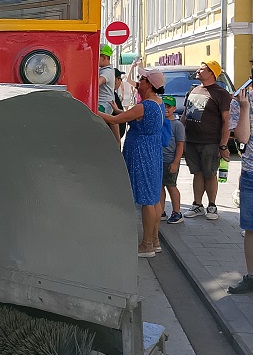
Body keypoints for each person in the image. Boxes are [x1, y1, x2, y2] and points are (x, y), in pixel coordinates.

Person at [98, 67, 166, 257]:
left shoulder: (143, 106)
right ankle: (155, 240)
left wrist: (92, 110)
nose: (139, 81)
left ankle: (146, 245)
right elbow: (132, 117)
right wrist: (119, 110)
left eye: (142, 79)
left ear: (149, 84)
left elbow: (114, 120)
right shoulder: (158, 103)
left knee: (147, 200)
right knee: (153, 198)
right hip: (153, 151)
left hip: (142, 153)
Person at [227, 61, 253, 293]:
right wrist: (244, 109)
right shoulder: (241, 102)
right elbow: (242, 138)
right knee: (252, 228)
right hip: (252, 174)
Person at [181, 60, 232, 220]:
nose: (198, 71)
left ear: (212, 73)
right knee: (197, 173)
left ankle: (212, 206)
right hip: (191, 140)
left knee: (210, 174)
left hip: (210, 141)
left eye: (202, 69)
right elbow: (185, 115)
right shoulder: (193, 90)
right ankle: (197, 205)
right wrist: (179, 137)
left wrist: (223, 145)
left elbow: (226, 121)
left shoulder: (221, 94)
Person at [160, 95, 185, 223]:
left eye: (168, 106)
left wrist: (175, 162)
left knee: (171, 186)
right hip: (159, 160)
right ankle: (161, 211)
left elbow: (180, 145)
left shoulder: (177, 125)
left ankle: (177, 212)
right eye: (163, 106)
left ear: (174, 108)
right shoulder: (159, 122)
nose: (166, 109)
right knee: (160, 186)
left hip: (170, 160)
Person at [112, 68, 127, 140]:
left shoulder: (112, 94)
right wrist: (117, 139)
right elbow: (113, 119)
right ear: (116, 80)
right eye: (120, 79)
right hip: (113, 138)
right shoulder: (111, 96)